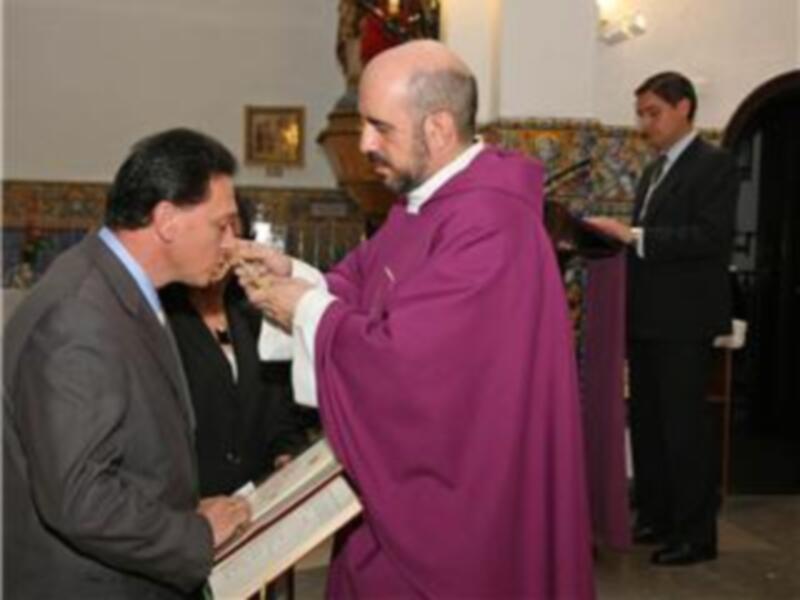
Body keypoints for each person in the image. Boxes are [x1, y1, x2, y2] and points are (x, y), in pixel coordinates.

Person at [234, 40, 595, 599]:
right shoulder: (424, 203)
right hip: (395, 497)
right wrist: (294, 277)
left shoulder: (488, 223)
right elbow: (360, 284)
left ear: (439, 128)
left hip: (459, 509)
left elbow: (409, 366)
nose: (365, 145)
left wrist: (303, 309)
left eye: (381, 127)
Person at [3, 128, 252, 599]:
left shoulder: (119, 290)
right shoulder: (79, 315)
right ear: (167, 220)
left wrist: (183, 512)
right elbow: (79, 498)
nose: (230, 243)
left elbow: (131, 455)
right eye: (222, 225)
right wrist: (195, 535)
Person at [587, 72, 738, 566]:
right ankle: (657, 517)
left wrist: (634, 236)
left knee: (682, 427)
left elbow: (710, 238)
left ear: (684, 108)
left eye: (653, 112)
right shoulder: (654, 171)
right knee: (649, 424)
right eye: (641, 114)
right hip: (648, 317)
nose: (644, 123)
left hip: (685, 320)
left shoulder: (714, 164)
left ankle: (696, 536)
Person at [159, 198, 307, 498]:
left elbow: (281, 411)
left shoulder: (258, 312)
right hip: (187, 509)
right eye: (217, 230)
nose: (225, 245)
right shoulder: (160, 317)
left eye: (233, 231)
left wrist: (287, 454)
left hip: (258, 503)